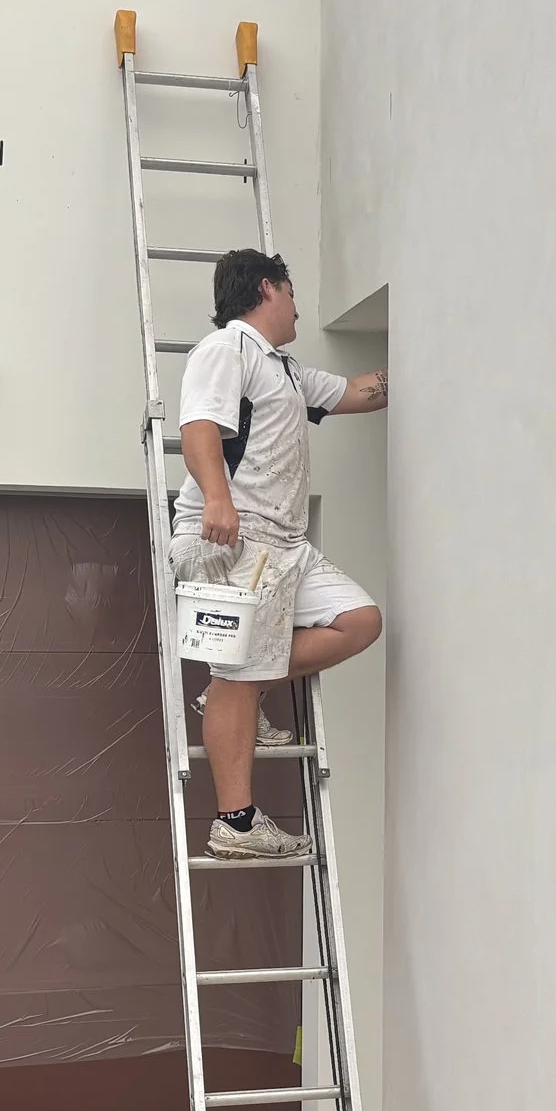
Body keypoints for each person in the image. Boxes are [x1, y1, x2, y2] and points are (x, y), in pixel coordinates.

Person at [169, 249, 387, 858]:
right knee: (237, 677)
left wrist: (431, 344)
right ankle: (235, 824)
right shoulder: (227, 349)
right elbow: (199, 429)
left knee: (359, 620)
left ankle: (242, 687)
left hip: (285, 542)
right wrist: (217, 499)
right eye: (291, 291)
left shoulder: (284, 370)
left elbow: (358, 393)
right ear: (268, 288)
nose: (297, 305)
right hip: (234, 539)